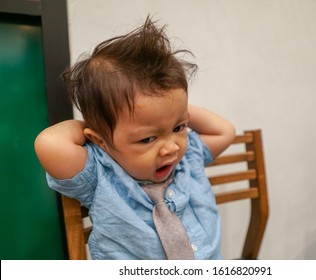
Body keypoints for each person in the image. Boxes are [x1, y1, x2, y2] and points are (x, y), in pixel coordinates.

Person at [34, 16, 235, 260]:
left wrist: (168, 111)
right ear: (100, 141)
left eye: (179, 127)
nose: (170, 148)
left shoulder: (188, 156)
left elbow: (225, 131)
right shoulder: (100, 174)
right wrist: (101, 124)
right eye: (147, 139)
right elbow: (49, 144)